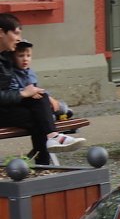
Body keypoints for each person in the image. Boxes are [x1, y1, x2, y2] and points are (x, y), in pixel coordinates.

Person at [0, 14, 85, 164]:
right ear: (1, 32)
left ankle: (51, 142)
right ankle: (44, 161)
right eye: (16, 33)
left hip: (7, 107)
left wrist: (40, 95)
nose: (19, 38)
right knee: (41, 118)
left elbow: (22, 81)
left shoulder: (6, 56)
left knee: (40, 101)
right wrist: (23, 93)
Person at [11, 39, 75, 123]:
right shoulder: (11, 73)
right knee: (47, 115)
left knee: (59, 106)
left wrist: (49, 98)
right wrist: (29, 93)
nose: (25, 59)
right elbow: (14, 92)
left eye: (28, 56)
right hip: (26, 103)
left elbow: (37, 89)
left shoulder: (30, 72)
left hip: (38, 100)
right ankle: (57, 117)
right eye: (21, 56)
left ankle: (63, 113)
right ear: (13, 57)